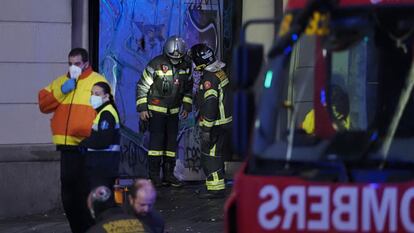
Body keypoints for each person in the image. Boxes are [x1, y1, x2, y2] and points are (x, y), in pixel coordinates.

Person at [38, 48, 107, 233]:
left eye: (77, 64)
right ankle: (78, 229)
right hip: (66, 147)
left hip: (86, 147)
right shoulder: (62, 82)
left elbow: (107, 112)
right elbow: (43, 104)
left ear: (85, 63)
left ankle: (90, 228)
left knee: (84, 192)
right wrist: (62, 90)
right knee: (68, 195)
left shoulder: (97, 82)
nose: (73, 67)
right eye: (70, 63)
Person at [136, 35, 193, 187]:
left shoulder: (186, 66)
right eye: (172, 58)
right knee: (156, 145)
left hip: (173, 113)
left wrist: (187, 107)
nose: (175, 60)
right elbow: (142, 86)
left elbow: (188, 89)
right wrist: (142, 109)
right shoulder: (156, 64)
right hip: (156, 113)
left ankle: (168, 175)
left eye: (178, 58)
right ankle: (154, 176)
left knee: (170, 146)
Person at [189, 44, 232, 199]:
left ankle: (215, 189)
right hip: (224, 122)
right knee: (217, 153)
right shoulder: (219, 72)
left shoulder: (209, 79)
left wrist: (206, 129)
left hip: (215, 124)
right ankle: (217, 185)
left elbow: (210, 105)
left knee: (210, 155)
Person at [79, 82, 121, 192]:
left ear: (106, 96)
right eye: (92, 93)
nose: (93, 97)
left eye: (97, 94)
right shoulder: (103, 112)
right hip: (103, 164)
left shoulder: (106, 113)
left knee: (102, 202)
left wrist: (83, 143)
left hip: (103, 165)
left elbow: (103, 140)